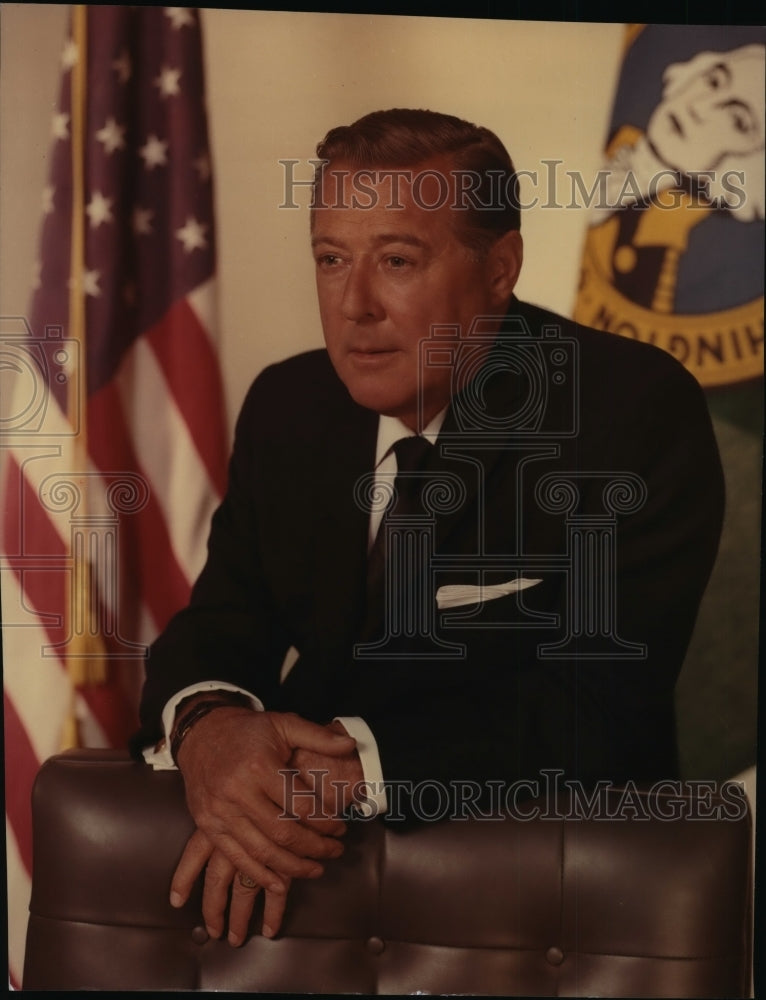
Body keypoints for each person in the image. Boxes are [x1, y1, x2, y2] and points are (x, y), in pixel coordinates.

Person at [131, 108, 724, 948]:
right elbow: (226, 622)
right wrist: (210, 727)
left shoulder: (626, 410)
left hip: (545, 899)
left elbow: (598, 702)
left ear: (500, 270)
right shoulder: (290, 406)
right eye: (331, 260)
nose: (353, 304)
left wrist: (330, 768)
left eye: (397, 261)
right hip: (302, 895)